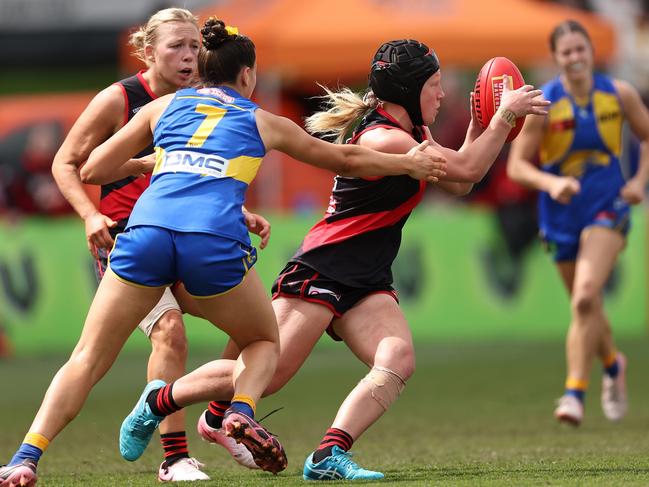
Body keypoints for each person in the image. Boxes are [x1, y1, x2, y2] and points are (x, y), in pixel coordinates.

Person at [0, 20, 446, 487]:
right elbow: (347, 160)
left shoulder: (165, 105)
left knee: (86, 358)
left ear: (203, 68)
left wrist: (155, 161)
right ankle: (238, 412)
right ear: (248, 76)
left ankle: (26, 458)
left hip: (145, 235)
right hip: (209, 242)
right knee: (263, 341)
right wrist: (407, 162)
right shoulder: (262, 120)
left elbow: (93, 168)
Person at [186, 38, 549, 481]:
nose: (442, 94)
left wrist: (480, 122)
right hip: (324, 266)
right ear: (409, 91)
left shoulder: (413, 135)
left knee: (397, 358)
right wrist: (506, 114)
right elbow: (468, 171)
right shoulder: (387, 138)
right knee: (271, 373)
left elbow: (459, 182)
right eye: (434, 85)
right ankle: (160, 401)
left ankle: (327, 456)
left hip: (366, 279)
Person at [48, 8, 214, 482]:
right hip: (129, 240)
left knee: (261, 330)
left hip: (187, 236)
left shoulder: (201, 99)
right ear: (147, 51)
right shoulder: (119, 99)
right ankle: (175, 457)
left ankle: (222, 421)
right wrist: (90, 214)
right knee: (169, 333)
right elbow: (67, 163)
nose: (189, 57)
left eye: (195, 47)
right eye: (177, 46)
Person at [507, 19, 649, 426]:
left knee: (586, 296)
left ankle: (574, 393)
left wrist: (639, 181)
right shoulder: (544, 104)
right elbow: (517, 167)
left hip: (608, 205)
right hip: (561, 214)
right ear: (556, 59)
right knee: (585, 305)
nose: (574, 58)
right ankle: (612, 363)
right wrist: (551, 182)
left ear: (591, 52)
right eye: (566, 52)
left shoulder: (619, 94)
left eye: (580, 49)